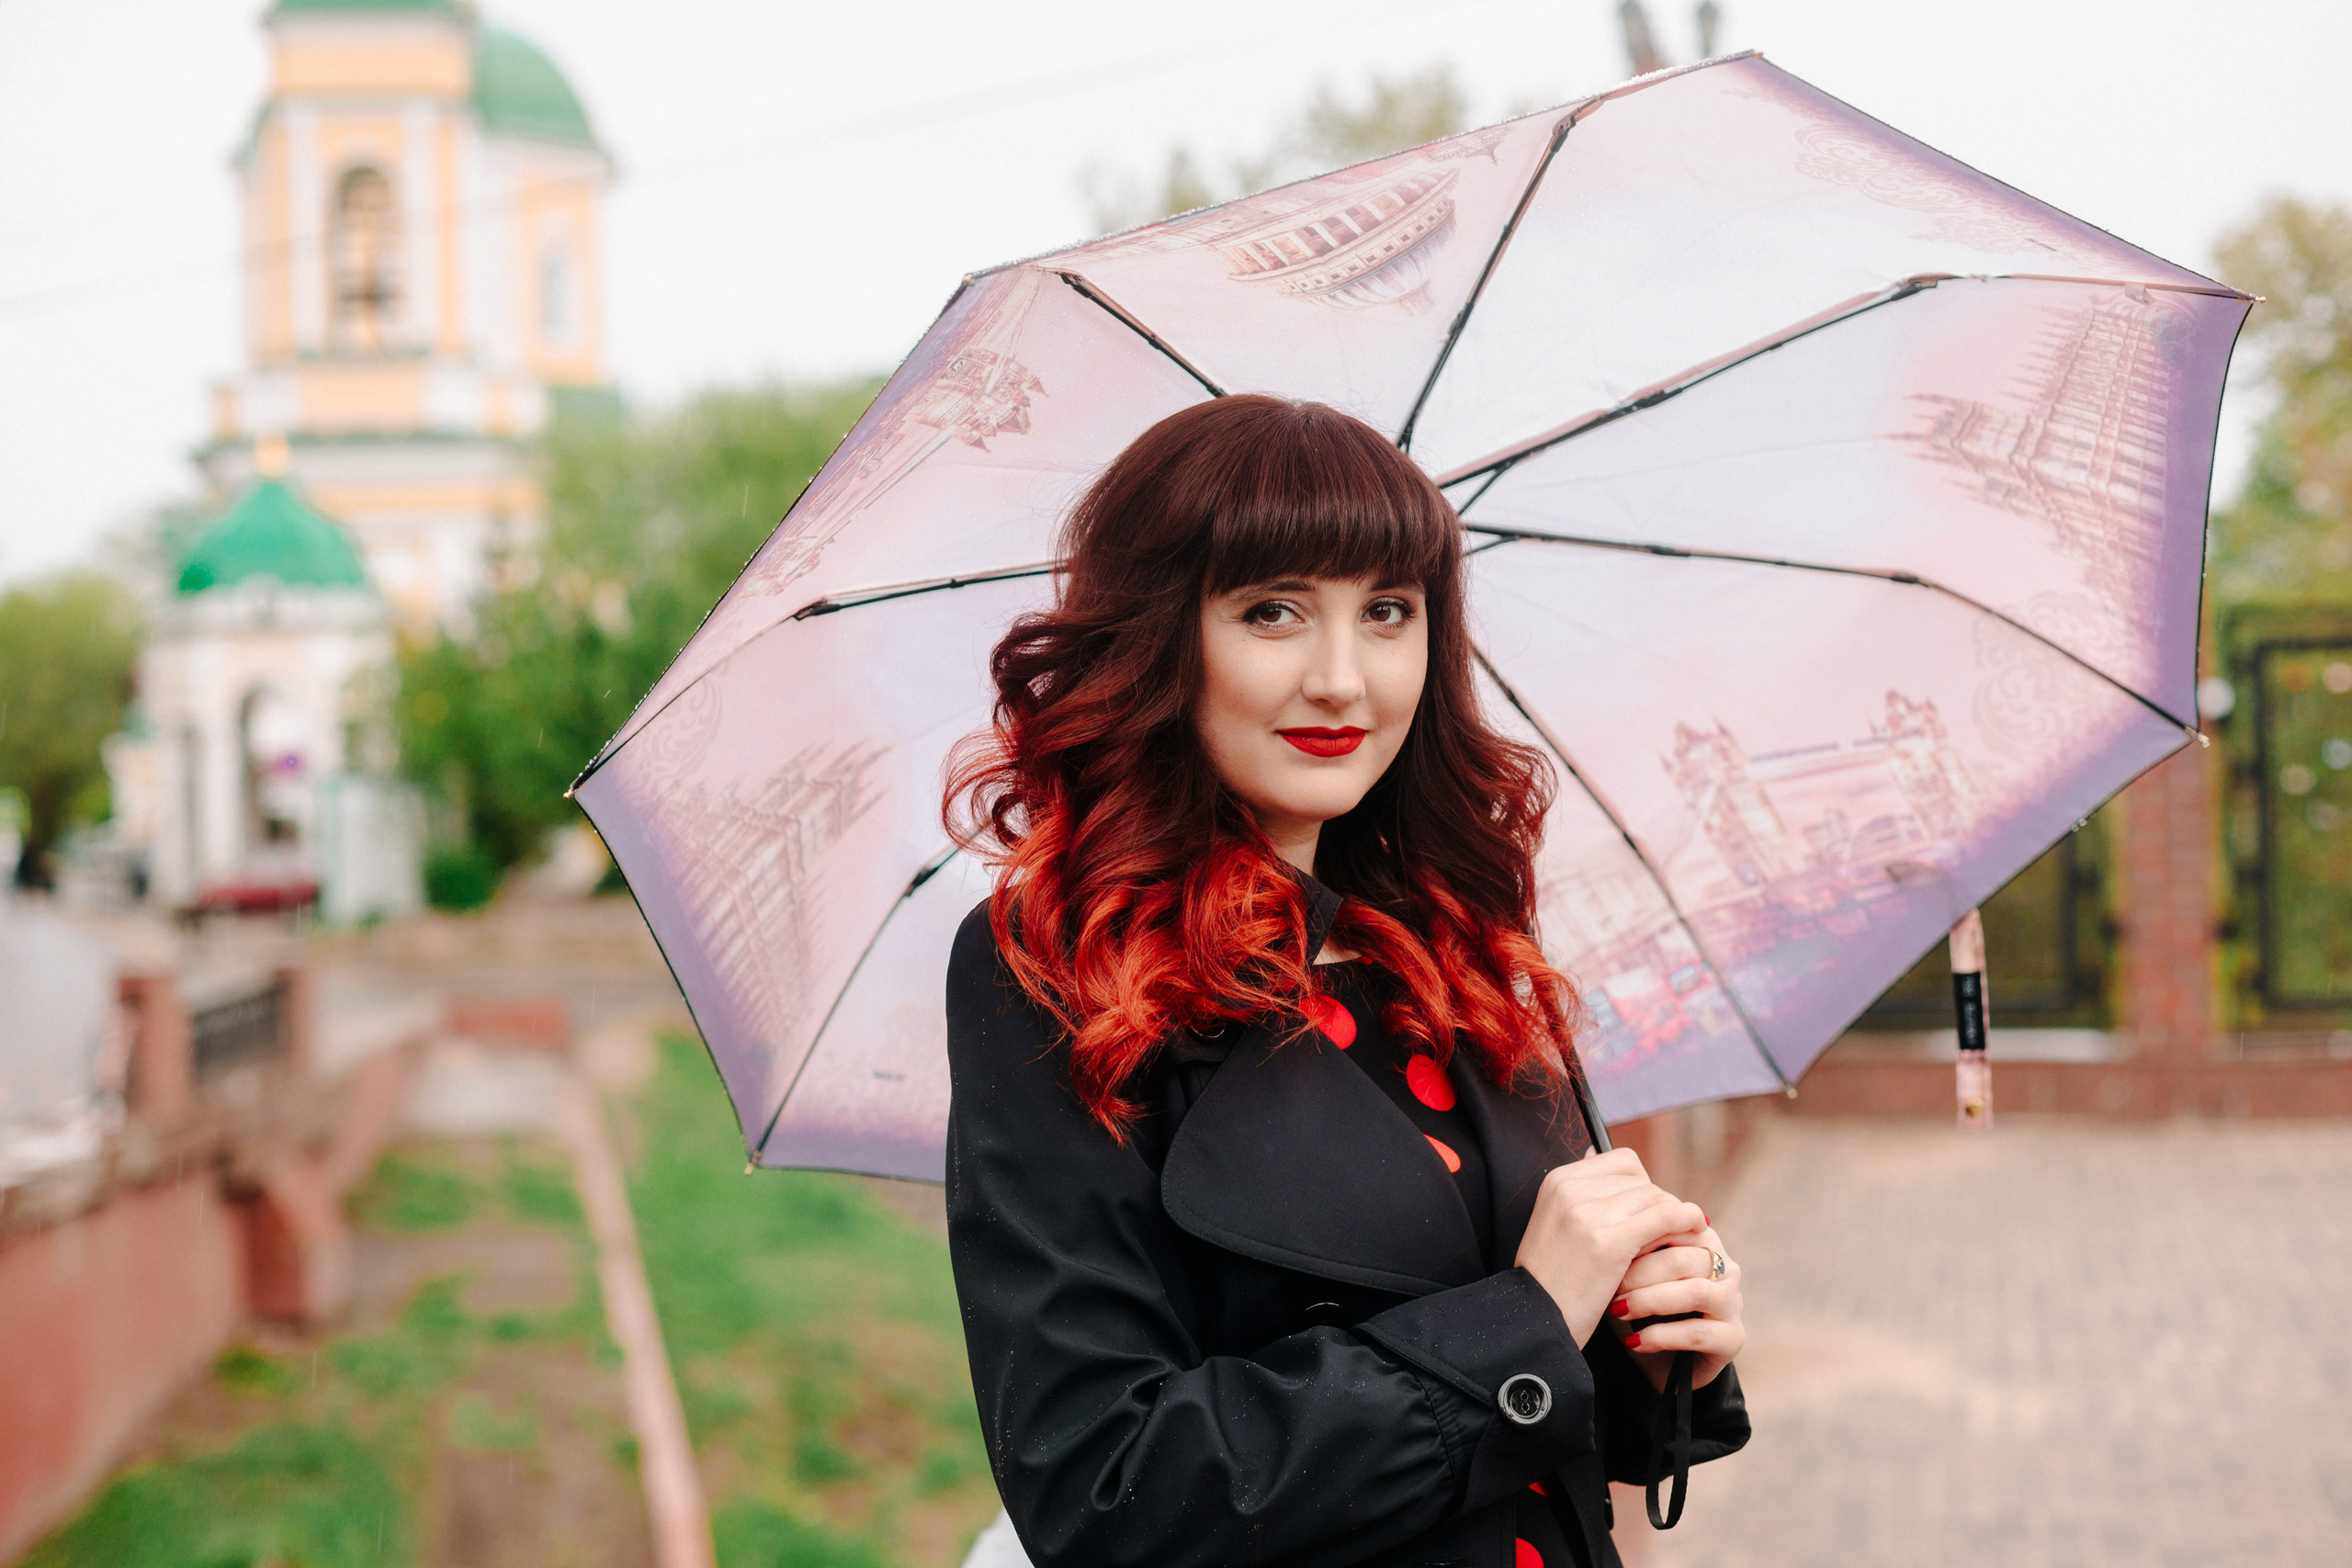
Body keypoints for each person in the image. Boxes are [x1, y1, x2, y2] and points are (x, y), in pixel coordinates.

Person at [941, 395, 1748, 1568]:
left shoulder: (1453, 942)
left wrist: (1660, 1343)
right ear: (1160, 638)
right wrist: (1524, 1322)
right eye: (1270, 611)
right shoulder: (1061, 965)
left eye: (1386, 612)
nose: (1341, 679)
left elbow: (1545, 1422)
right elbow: (1105, 1490)